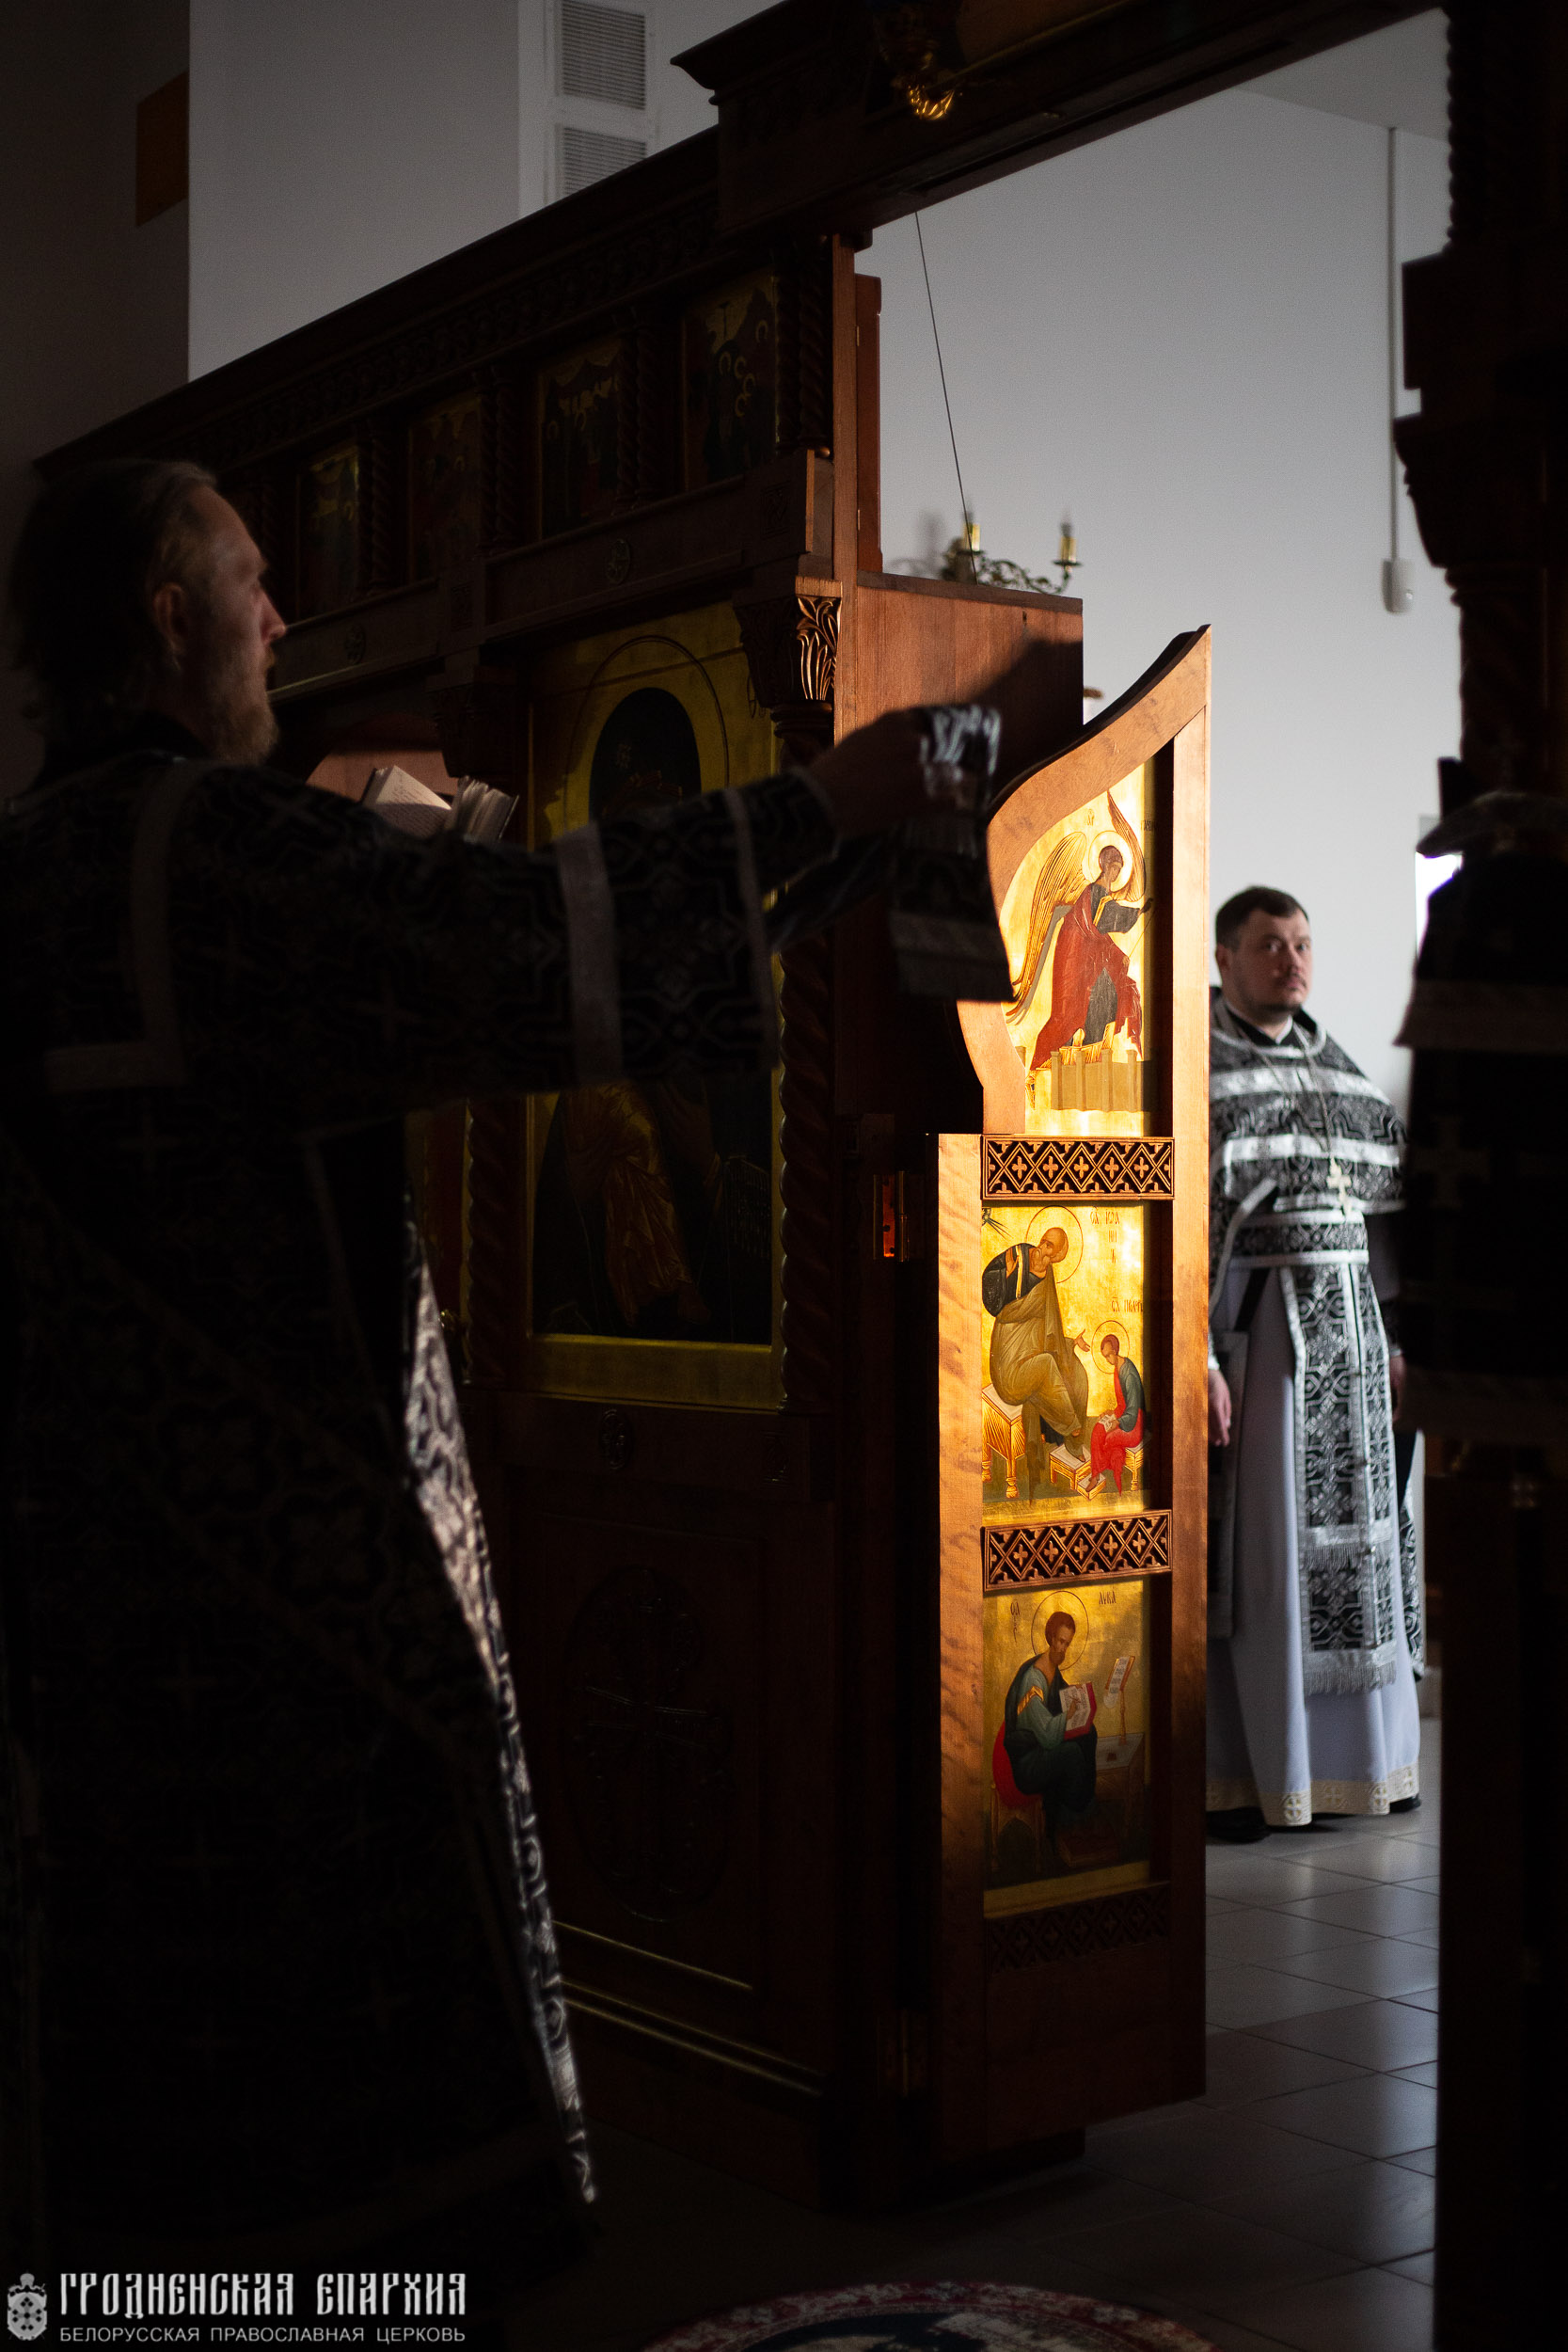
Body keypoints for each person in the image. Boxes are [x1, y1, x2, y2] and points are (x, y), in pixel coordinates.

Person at [0, 460, 1069, 2296]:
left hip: (83, 1602)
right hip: (292, 1618)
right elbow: (518, 947)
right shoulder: (201, 853)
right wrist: (834, 797)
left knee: (134, 2081)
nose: (281, 621)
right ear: (166, 619)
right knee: (339, 2112)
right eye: (250, 585)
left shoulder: (30, 866)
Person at [1206, 886, 1422, 1841]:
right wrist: (1196, 1360)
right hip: (1261, 1347)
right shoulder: (1194, 1071)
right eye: (1267, 944)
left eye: (1299, 943)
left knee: (1361, 1552)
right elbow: (1175, 1234)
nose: (1289, 960)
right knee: (1266, 1563)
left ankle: (1361, 1767)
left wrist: (1397, 1342)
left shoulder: (1341, 1073)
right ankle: (1257, 1773)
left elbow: (1386, 1231)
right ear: (1224, 958)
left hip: (1353, 1350)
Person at [983, 1229, 1092, 1467]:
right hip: (1008, 1370)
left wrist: (1071, 1343)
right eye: (1044, 1242)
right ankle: (1071, 1426)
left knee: (1078, 1377)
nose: (1042, 1250)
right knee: (1048, 1364)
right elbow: (996, 1304)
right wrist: (1009, 1277)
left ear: (1054, 1258)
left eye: (1050, 1249)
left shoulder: (1045, 1280)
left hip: (1028, 1357)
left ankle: (1071, 1445)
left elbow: (1046, 1328)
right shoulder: (1019, 1261)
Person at [1002, 1610, 1098, 1833]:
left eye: (1067, 1644)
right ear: (1051, 1638)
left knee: (1089, 1734)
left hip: (1042, 1749)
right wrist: (1068, 1715)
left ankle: (1084, 1805)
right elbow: (1046, 1734)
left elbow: (1061, 1697)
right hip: (1028, 1761)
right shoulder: (1033, 1678)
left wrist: (1076, 1696)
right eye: (1061, 1641)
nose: (1063, 1648)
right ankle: (1069, 1819)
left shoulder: (1052, 1670)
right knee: (1071, 1753)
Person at [1083, 1333, 1144, 1497]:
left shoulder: (1128, 1374)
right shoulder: (1118, 1367)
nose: (1107, 1360)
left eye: (1108, 1355)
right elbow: (1122, 1403)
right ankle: (1095, 1475)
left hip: (1134, 1423)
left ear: (1115, 1351)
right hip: (1121, 1414)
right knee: (1097, 1431)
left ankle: (1105, 1472)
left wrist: (1118, 1422)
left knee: (1108, 1439)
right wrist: (1110, 1413)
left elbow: (1133, 1409)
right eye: (1105, 1357)